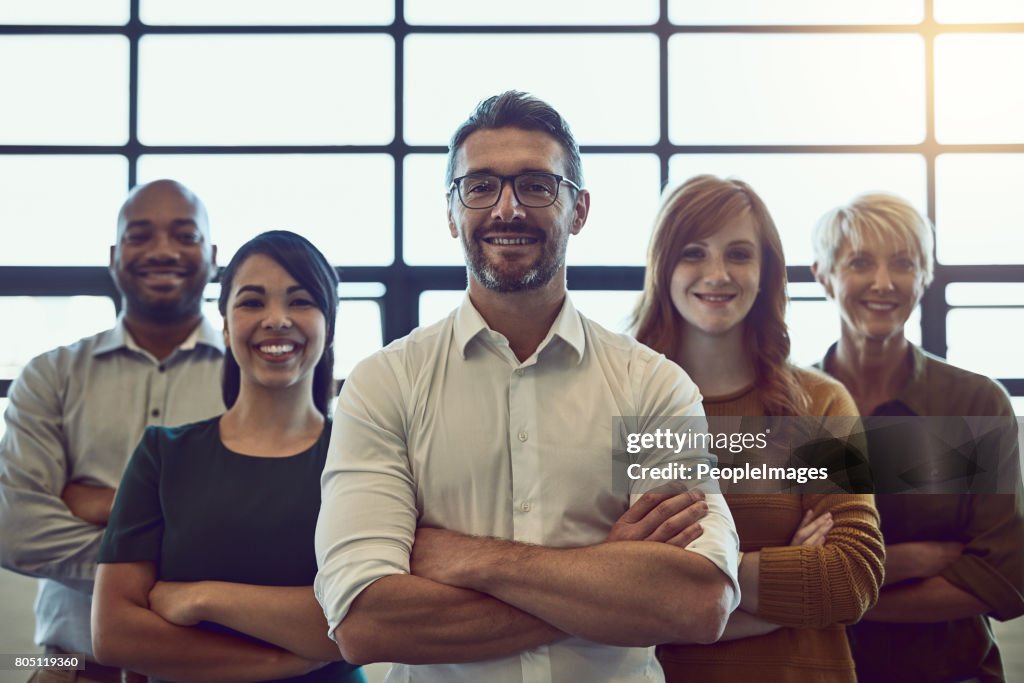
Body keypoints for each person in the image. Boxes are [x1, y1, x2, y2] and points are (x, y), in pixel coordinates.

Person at [314, 91, 741, 683]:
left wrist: (462, 557)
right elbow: (364, 622)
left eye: (537, 186)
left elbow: (696, 602)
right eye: (480, 186)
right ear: (450, 211)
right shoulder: (384, 385)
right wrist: (608, 577)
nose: (508, 208)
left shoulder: (653, 387)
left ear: (579, 210)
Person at [631, 174, 884, 682]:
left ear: (767, 270)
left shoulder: (822, 401)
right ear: (663, 267)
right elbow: (597, 593)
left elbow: (852, 575)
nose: (718, 273)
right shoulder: (618, 402)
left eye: (740, 254)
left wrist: (682, 578)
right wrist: (778, 585)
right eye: (694, 253)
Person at [91, 230, 363, 682]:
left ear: (329, 324)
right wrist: (284, 661)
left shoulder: (360, 456)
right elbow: (115, 633)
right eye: (252, 302)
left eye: (300, 301)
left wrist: (202, 597)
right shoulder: (163, 454)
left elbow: (367, 619)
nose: (276, 319)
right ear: (223, 323)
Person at [0, 179, 224, 681]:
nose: (162, 250)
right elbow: (14, 530)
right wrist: (177, 566)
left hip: (211, 673)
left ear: (211, 255)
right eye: (140, 235)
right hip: (70, 668)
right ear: (114, 254)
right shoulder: (50, 376)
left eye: (184, 236)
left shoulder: (251, 380)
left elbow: (269, 532)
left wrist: (100, 502)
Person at [812, 192, 1024, 682]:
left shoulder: (976, 404)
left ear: (925, 276)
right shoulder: (790, 408)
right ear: (823, 274)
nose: (883, 283)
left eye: (904, 264)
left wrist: (835, 600)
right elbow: (771, 563)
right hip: (820, 672)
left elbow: (1003, 580)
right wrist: (909, 561)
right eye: (860, 262)